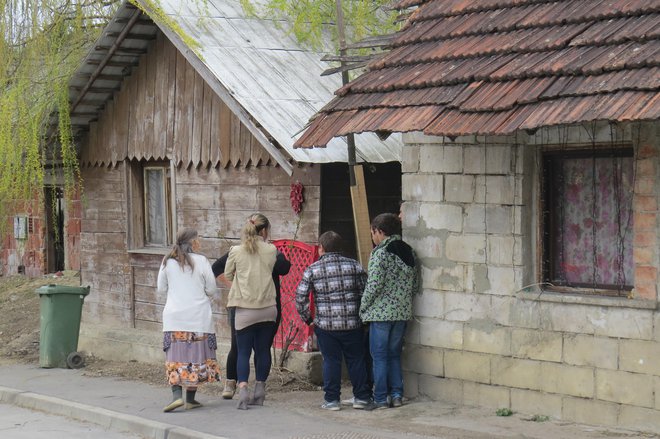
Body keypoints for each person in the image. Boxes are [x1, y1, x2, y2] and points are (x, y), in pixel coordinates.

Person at [296, 231, 374, 411]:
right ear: (340, 247)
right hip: (352, 324)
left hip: (325, 325)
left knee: (331, 360)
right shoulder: (355, 266)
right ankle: (362, 397)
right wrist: (362, 319)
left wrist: (308, 319)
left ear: (321, 248)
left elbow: (300, 296)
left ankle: (332, 401)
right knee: (356, 360)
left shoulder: (313, 269)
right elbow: (365, 294)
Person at [212, 248, 290, 400]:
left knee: (261, 347)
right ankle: (231, 381)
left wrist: (274, 253)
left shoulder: (270, 252)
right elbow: (216, 268)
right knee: (238, 346)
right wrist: (235, 286)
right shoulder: (239, 251)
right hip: (242, 304)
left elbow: (284, 268)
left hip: (266, 304)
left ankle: (257, 386)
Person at [360, 213, 419, 409]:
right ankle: (397, 395)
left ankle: (380, 398)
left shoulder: (380, 253)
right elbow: (415, 285)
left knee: (379, 356)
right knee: (394, 355)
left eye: (373, 233)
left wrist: (363, 307)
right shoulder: (409, 251)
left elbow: (373, 285)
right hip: (402, 314)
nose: (372, 237)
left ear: (380, 231)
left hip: (381, 314)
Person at [157, 228, 220, 412]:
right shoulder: (202, 261)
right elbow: (211, 289)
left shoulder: (167, 261)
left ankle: (177, 396)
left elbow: (161, 288)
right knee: (194, 359)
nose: (199, 242)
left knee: (175, 358)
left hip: (174, 318)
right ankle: (190, 398)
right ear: (192, 243)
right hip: (198, 318)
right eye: (198, 240)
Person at [224, 213, 278, 409]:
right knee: (263, 350)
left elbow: (228, 274)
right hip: (268, 308)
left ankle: (244, 392)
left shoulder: (236, 251)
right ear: (263, 231)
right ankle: (260, 391)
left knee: (243, 352)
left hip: (245, 309)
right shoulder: (272, 250)